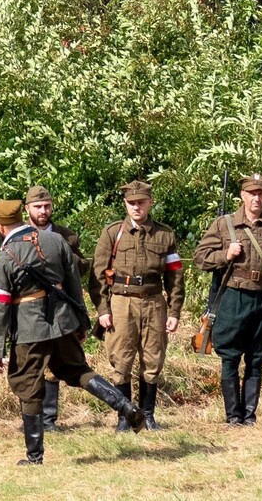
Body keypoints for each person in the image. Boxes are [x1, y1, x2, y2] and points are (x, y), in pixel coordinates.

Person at [0, 200, 144, 466]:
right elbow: (74, 285)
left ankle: (34, 457)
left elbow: (0, 306)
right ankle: (125, 406)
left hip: (29, 330)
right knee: (79, 371)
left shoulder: (4, 257)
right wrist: (80, 323)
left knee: (28, 387)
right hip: (62, 323)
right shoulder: (55, 241)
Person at [193, 174, 262, 426]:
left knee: (257, 357)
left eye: (261, 194)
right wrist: (224, 254)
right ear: (242, 196)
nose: (256, 198)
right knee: (229, 356)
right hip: (233, 297)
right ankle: (233, 416)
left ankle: (249, 417)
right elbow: (199, 259)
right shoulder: (223, 225)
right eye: (251, 193)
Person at [89, 181, 185, 431]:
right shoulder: (112, 233)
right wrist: (103, 310)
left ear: (150, 202)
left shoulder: (164, 235)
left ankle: (148, 415)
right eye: (132, 203)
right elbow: (97, 274)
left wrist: (174, 311)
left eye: (141, 202)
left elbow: (175, 276)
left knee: (153, 359)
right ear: (125, 204)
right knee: (120, 360)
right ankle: (124, 416)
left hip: (154, 302)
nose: (136, 207)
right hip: (121, 302)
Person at [24, 185, 90, 431]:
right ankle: (33, 418)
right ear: (27, 208)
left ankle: (49, 419)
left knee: (56, 364)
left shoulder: (67, 236)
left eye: (47, 206)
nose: (43, 211)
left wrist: (58, 252)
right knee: (32, 363)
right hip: (28, 307)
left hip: (59, 305)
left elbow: (81, 268)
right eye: (38, 207)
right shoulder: (17, 233)